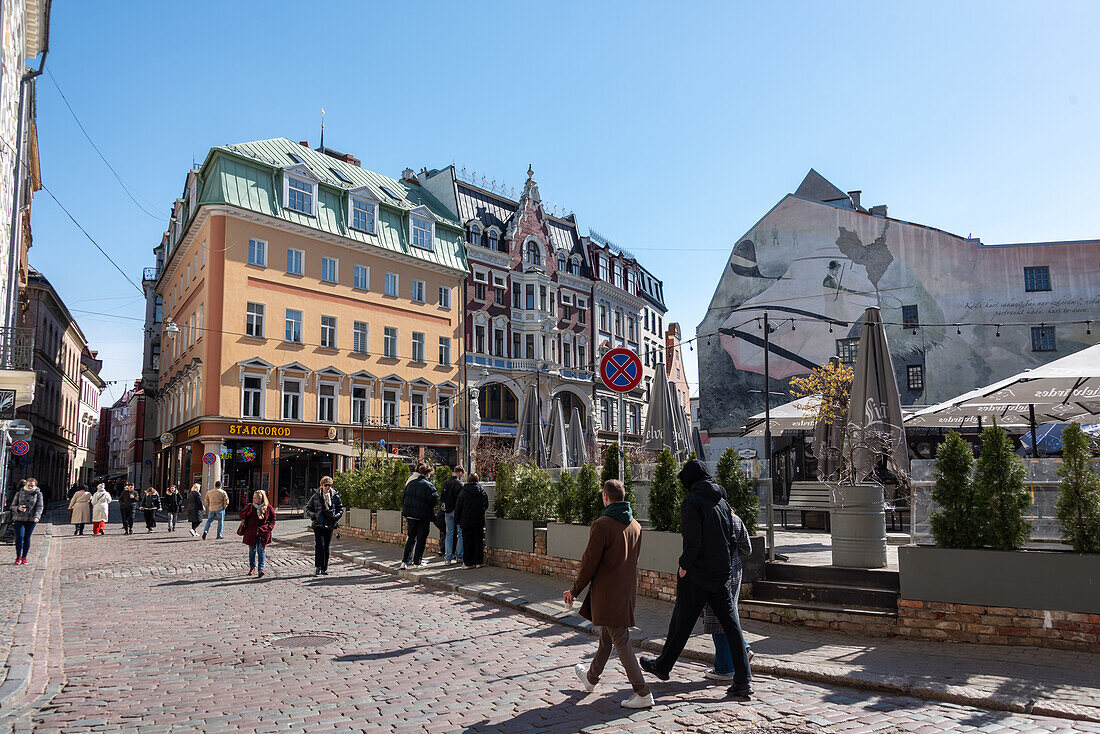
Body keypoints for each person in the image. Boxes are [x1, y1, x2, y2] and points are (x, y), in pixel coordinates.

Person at [640, 459, 753, 699]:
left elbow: (693, 541)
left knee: (681, 622)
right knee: (732, 628)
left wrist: (683, 566)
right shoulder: (722, 501)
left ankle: (663, 666)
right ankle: (743, 680)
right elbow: (731, 540)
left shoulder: (692, 501)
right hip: (721, 574)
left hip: (698, 574)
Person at [565, 479, 652, 709]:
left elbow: (588, 563)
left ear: (605, 496)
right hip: (625, 593)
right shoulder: (636, 525)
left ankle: (642, 691)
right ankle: (591, 678)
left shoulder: (602, 524)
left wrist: (574, 591)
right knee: (607, 638)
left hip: (607, 594)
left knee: (620, 641)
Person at [702, 507, 754, 681]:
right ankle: (743, 647)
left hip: (715, 574)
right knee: (729, 616)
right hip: (735, 571)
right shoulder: (736, 519)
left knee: (718, 619)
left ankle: (724, 667)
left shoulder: (710, 519)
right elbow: (747, 548)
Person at [400, 463, 437, 569]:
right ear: (428, 474)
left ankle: (405, 561)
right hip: (422, 516)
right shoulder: (428, 485)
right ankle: (417, 561)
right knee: (421, 539)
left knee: (411, 538)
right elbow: (433, 500)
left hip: (411, 515)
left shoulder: (411, 483)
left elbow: (405, 497)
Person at [305, 476, 344, 576]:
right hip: (318, 525)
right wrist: (315, 516)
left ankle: (324, 568)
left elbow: (340, 508)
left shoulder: (335, 496)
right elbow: (308, 509)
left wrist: (335, 517)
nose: (328, 487)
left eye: (330, 485)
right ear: (321, 485)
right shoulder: (316, 496)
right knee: (319, 546)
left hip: (330, 524)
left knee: (326, 547)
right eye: (326, 485)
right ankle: (318, 566)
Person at [454, 472, 488, 569]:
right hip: (478, 519)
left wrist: (458, 521)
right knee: (478, 541)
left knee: (467, 542)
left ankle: (468, 563)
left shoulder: (464, 491)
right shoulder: (481, 490)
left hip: (466, 520)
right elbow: (486, 504)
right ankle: (478, 562)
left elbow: (458, 507)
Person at [239, 490, 276, 578]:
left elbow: (273, 519)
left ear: (261, 499)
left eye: (255, 498)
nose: (253, 499)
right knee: (252, 550)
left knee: (261, 550)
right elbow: (241, 515)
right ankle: (252, 567)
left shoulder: (268, 507)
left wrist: (269, 528)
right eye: (253, 497)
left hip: (263, 532)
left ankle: (260, 569)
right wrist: (248, 514)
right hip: (251, 532)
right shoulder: (250, 506)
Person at [8, 477, 43, 564]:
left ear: (35, 485)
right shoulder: (19, 493)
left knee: (27, 538)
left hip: (31, 519)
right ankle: (18, 557)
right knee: (20, 536)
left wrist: (37, 516)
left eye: (32, 485)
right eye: (29, 485)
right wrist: (18, 508)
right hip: (19, 518)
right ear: (26, 484)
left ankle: (24, 557)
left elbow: (39, 506)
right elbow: (12, 506)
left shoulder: (38, 494)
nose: (30, 487)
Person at [440, 466, 465, 565]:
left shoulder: (446, 483)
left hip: (447, 511)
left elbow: (442, 497)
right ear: (460, 473)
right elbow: (461, 500)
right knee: (460, 534)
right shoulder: (460, 484)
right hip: (457, 511)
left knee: (449, 534)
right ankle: (459, 556)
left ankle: (448, 558)